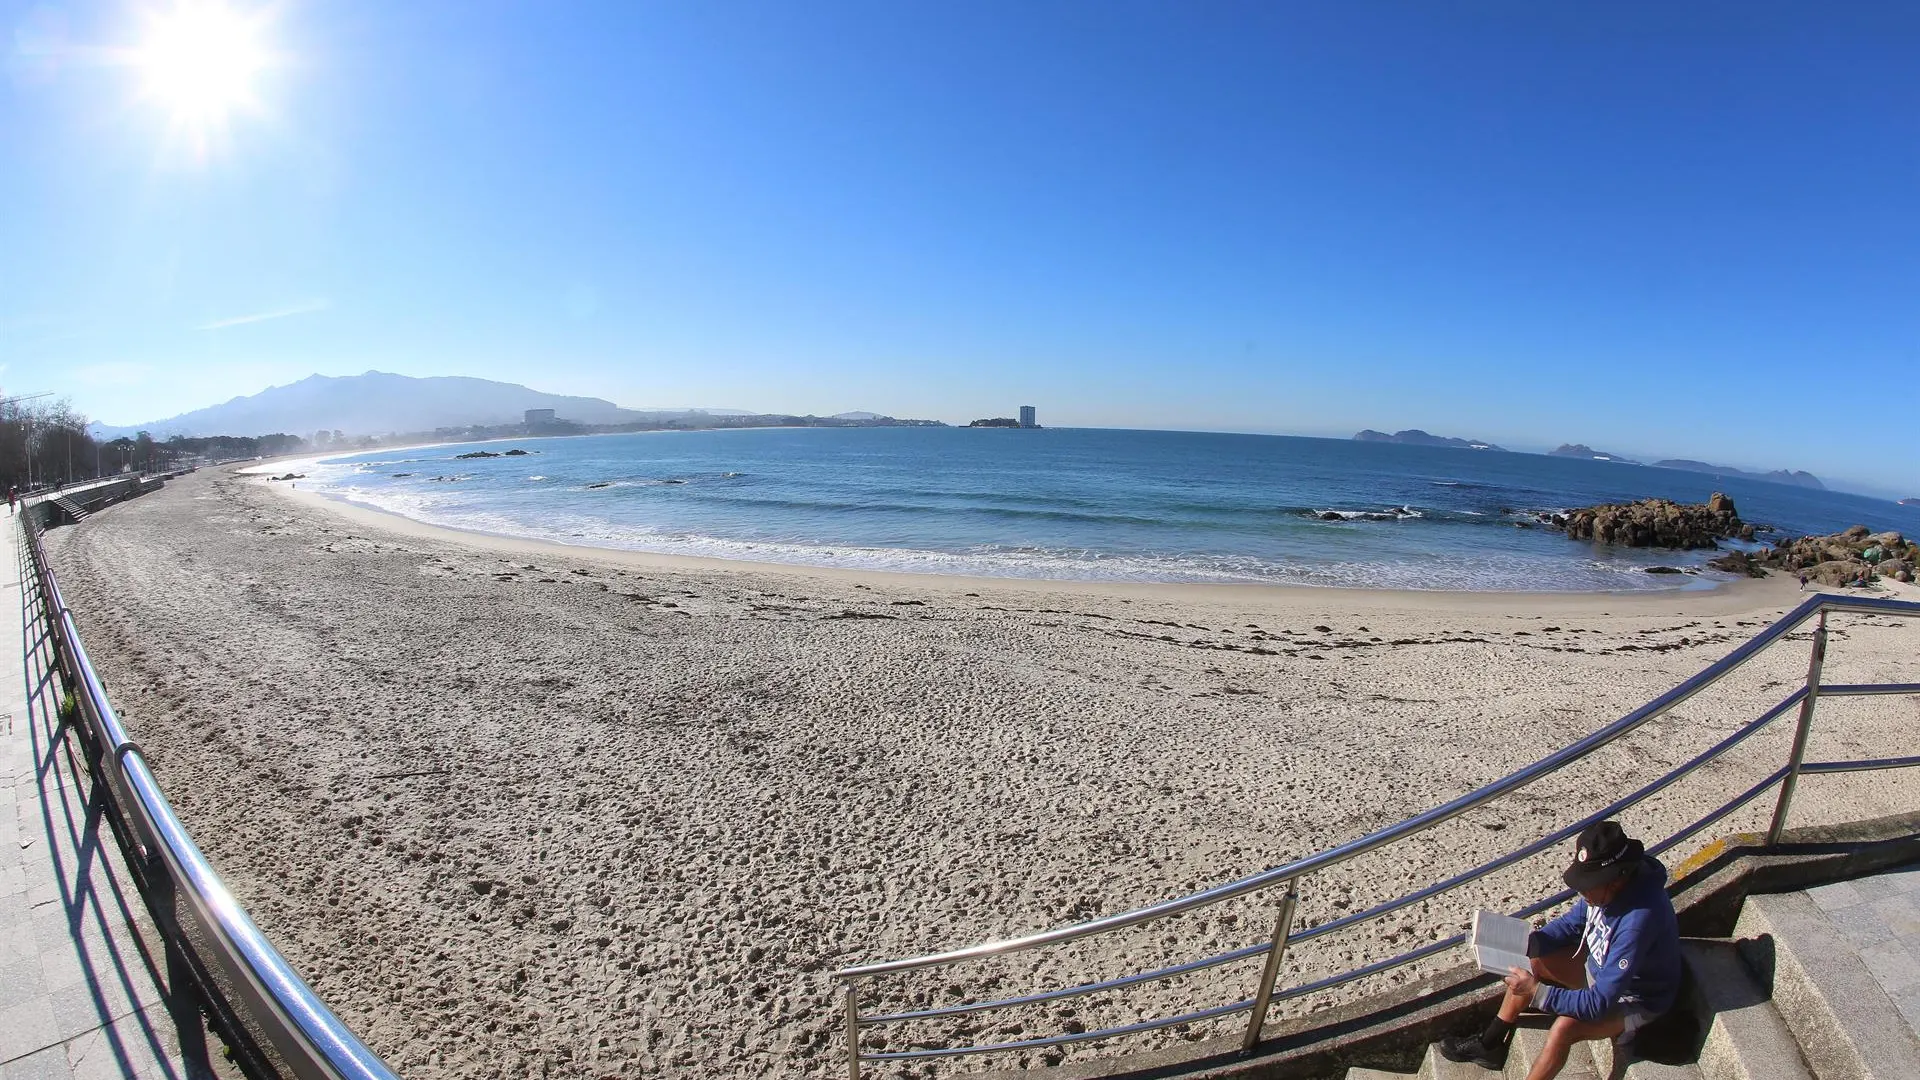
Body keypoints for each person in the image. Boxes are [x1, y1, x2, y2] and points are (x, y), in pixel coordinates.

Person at [1440, 820, 1682, 1077]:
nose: (1582, 892)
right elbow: (1571, 925)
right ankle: (1489, 1044)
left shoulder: (1638, 921)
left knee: (1562, 1030)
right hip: (1598, 971)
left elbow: (1598, 1003)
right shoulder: (1602, 893)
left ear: (1616, 879)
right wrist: (1528, 943)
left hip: (1635, 999)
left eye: (1588, 884)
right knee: (1532, 962)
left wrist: (1537, 992)